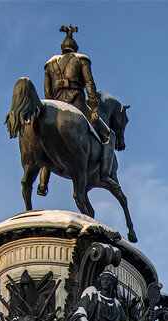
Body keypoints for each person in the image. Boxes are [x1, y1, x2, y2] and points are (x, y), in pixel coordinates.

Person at [37, 25, 110, 197]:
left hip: (55, 104)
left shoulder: (49, 66)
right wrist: (93, 108)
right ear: (75, 49)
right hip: (76, 102)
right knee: (107, 135)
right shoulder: (81, 61)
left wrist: (53, 105)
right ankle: (106, 174)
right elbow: (89, 84)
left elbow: (47, 92)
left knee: (46, 137)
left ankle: (42, 183)